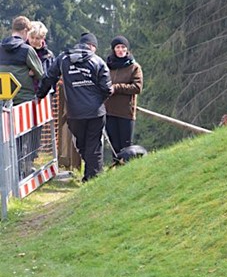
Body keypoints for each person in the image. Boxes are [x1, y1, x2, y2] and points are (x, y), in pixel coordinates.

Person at [38, 32, 113, 182]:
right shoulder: (97, 61)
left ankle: (91, 175)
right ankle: (93, 176)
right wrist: (98, 100)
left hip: (74, 112)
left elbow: (49, 77)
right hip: (95, 111)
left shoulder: (63, 59)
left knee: (81, 143)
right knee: (94, 144)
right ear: (92, 46)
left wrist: (40, 95)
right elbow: (107, 89)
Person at [104, 35, 143, 157]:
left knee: (126, 146)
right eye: (118, 47)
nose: (120, 50)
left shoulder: (134, 67)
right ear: (113, 49)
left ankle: (127, 168)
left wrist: (117, 87)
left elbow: (137, 87)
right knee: (114, 146)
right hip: (109, 111)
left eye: (123, 47)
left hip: (126, 112)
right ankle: (116, 167)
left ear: (127, 50)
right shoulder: (107, 66)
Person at [0, 16, 44, 105]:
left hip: (3, 100)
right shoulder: (27, 50)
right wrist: (32, 71)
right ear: (25, 31)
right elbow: (41, 74)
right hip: (24, 99)